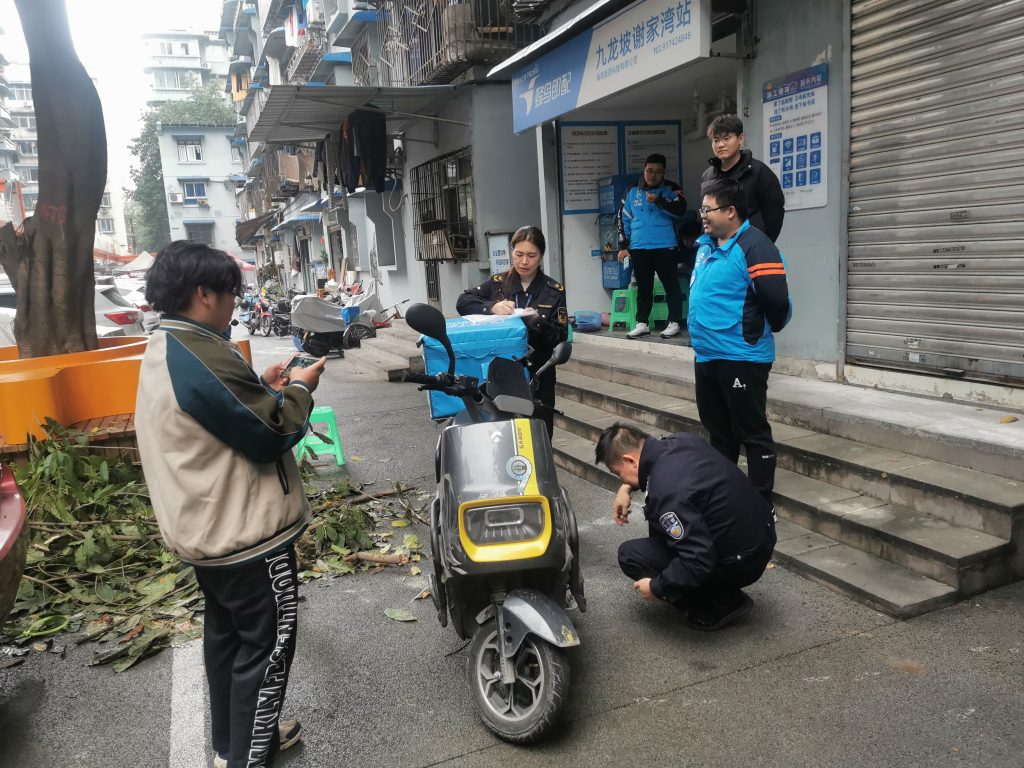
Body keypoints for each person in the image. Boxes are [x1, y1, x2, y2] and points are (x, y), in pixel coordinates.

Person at [135, 241, 327, 768]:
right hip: (246, 537)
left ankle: (233, 744)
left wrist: (261, 387)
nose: (234, 304)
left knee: (227, 642)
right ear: (204, 293)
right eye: (230, 294)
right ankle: (248, 755)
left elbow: (220, 413)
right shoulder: (202, 353)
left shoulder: (170, 344)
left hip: (208, 531)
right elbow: (272, 432)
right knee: (267, 650)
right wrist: (300, 390)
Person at [596, 423, 776, 631]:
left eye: (619, 474)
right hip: (761, 538)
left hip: (742, 562)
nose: (621, 479)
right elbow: (646, 468)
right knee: (660, 527)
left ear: (630, 461)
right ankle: (715, 589)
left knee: (631, 555)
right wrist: (626, 487)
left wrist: (657, 587)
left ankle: (722, 602)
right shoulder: (681, 440)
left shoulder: (667, 491)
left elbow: (697, 559)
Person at [689, 178, 791, 504]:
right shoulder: (706, 246)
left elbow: (776, 300)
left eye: (709, 209)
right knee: (719, 434)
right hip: (707, 356)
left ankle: (760, 505)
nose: (703, 215)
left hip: (742, 357)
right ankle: (725, 500)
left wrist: (759, 331)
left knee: (752, 433)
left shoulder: (755, 246)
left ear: (731, 211)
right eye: (702, 209)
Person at [456, 225, 567, 437]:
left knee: (539, 435)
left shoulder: (553, 291)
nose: (524, 261)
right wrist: (492, 307)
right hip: (501, 373)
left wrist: (536, 320)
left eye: (531, 255)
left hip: (538, 375)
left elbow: (560, 336)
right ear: (511, 252)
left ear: (541, 256)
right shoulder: (497, 284)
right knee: (503, 435)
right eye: (519, 254)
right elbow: (463, 302)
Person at [616, 153, 688, 339]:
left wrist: (659, 200)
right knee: (643, 287)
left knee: (671, 286)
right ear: (644, 170)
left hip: (665, 246)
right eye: (649, 170)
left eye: (657, 171)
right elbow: (622, 218)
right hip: (639, 247)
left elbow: (680, 209)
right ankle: (642, 324)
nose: (653, 175)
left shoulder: (672, 188)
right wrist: (623, 246)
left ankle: (674, 323)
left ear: (663, 173)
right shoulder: (632, 189)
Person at [700, 114, 786, 243]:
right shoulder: (708, 176)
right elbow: (705, 212)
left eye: (726, 138)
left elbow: (774, 212)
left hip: (751, 244)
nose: (721, 145)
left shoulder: (759, 171)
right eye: (716, 140)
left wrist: (763, 243)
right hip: (718, 247)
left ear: (740, 138)